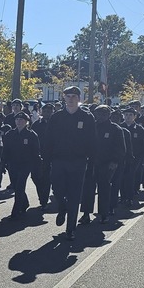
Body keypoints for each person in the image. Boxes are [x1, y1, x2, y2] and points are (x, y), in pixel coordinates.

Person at [44, 86, 96, 241]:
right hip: (59, 161)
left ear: (79, 98)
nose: (71, 99)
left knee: (74, 195)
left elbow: (92, 142)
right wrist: (46, 162)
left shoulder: (87, 117)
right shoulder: (57, 117)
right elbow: (48, 141)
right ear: (64, 98)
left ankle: (70, 229)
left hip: (78, 162)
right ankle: (62, 207)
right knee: (58, 191)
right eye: (68, 96)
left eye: (74, 96)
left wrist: (91, 164)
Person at [79, 105, 126, 224]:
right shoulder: (91, 127)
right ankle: (86, 213)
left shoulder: (115, 129)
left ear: (109, 114)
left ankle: (104, 213)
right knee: (88, 189)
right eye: (98, 113)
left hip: (106, 163)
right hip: (91, 162)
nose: (101, 116)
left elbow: (120, 148)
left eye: (104, 113)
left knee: (104, 189)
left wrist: (115, 161)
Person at [1, 111, 40, 220]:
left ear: (26, 122)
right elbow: (5, 150)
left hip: (25, 165)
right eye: (17, 120)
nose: (19, 122)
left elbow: (35, 152)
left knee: (19, 186)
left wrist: (36, 167)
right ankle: (25, 203)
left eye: (21, 120)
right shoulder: (10, 134)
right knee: (17, 185)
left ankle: (16, 209)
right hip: (12, 165)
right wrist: (3, 163)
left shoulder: (31, 135)